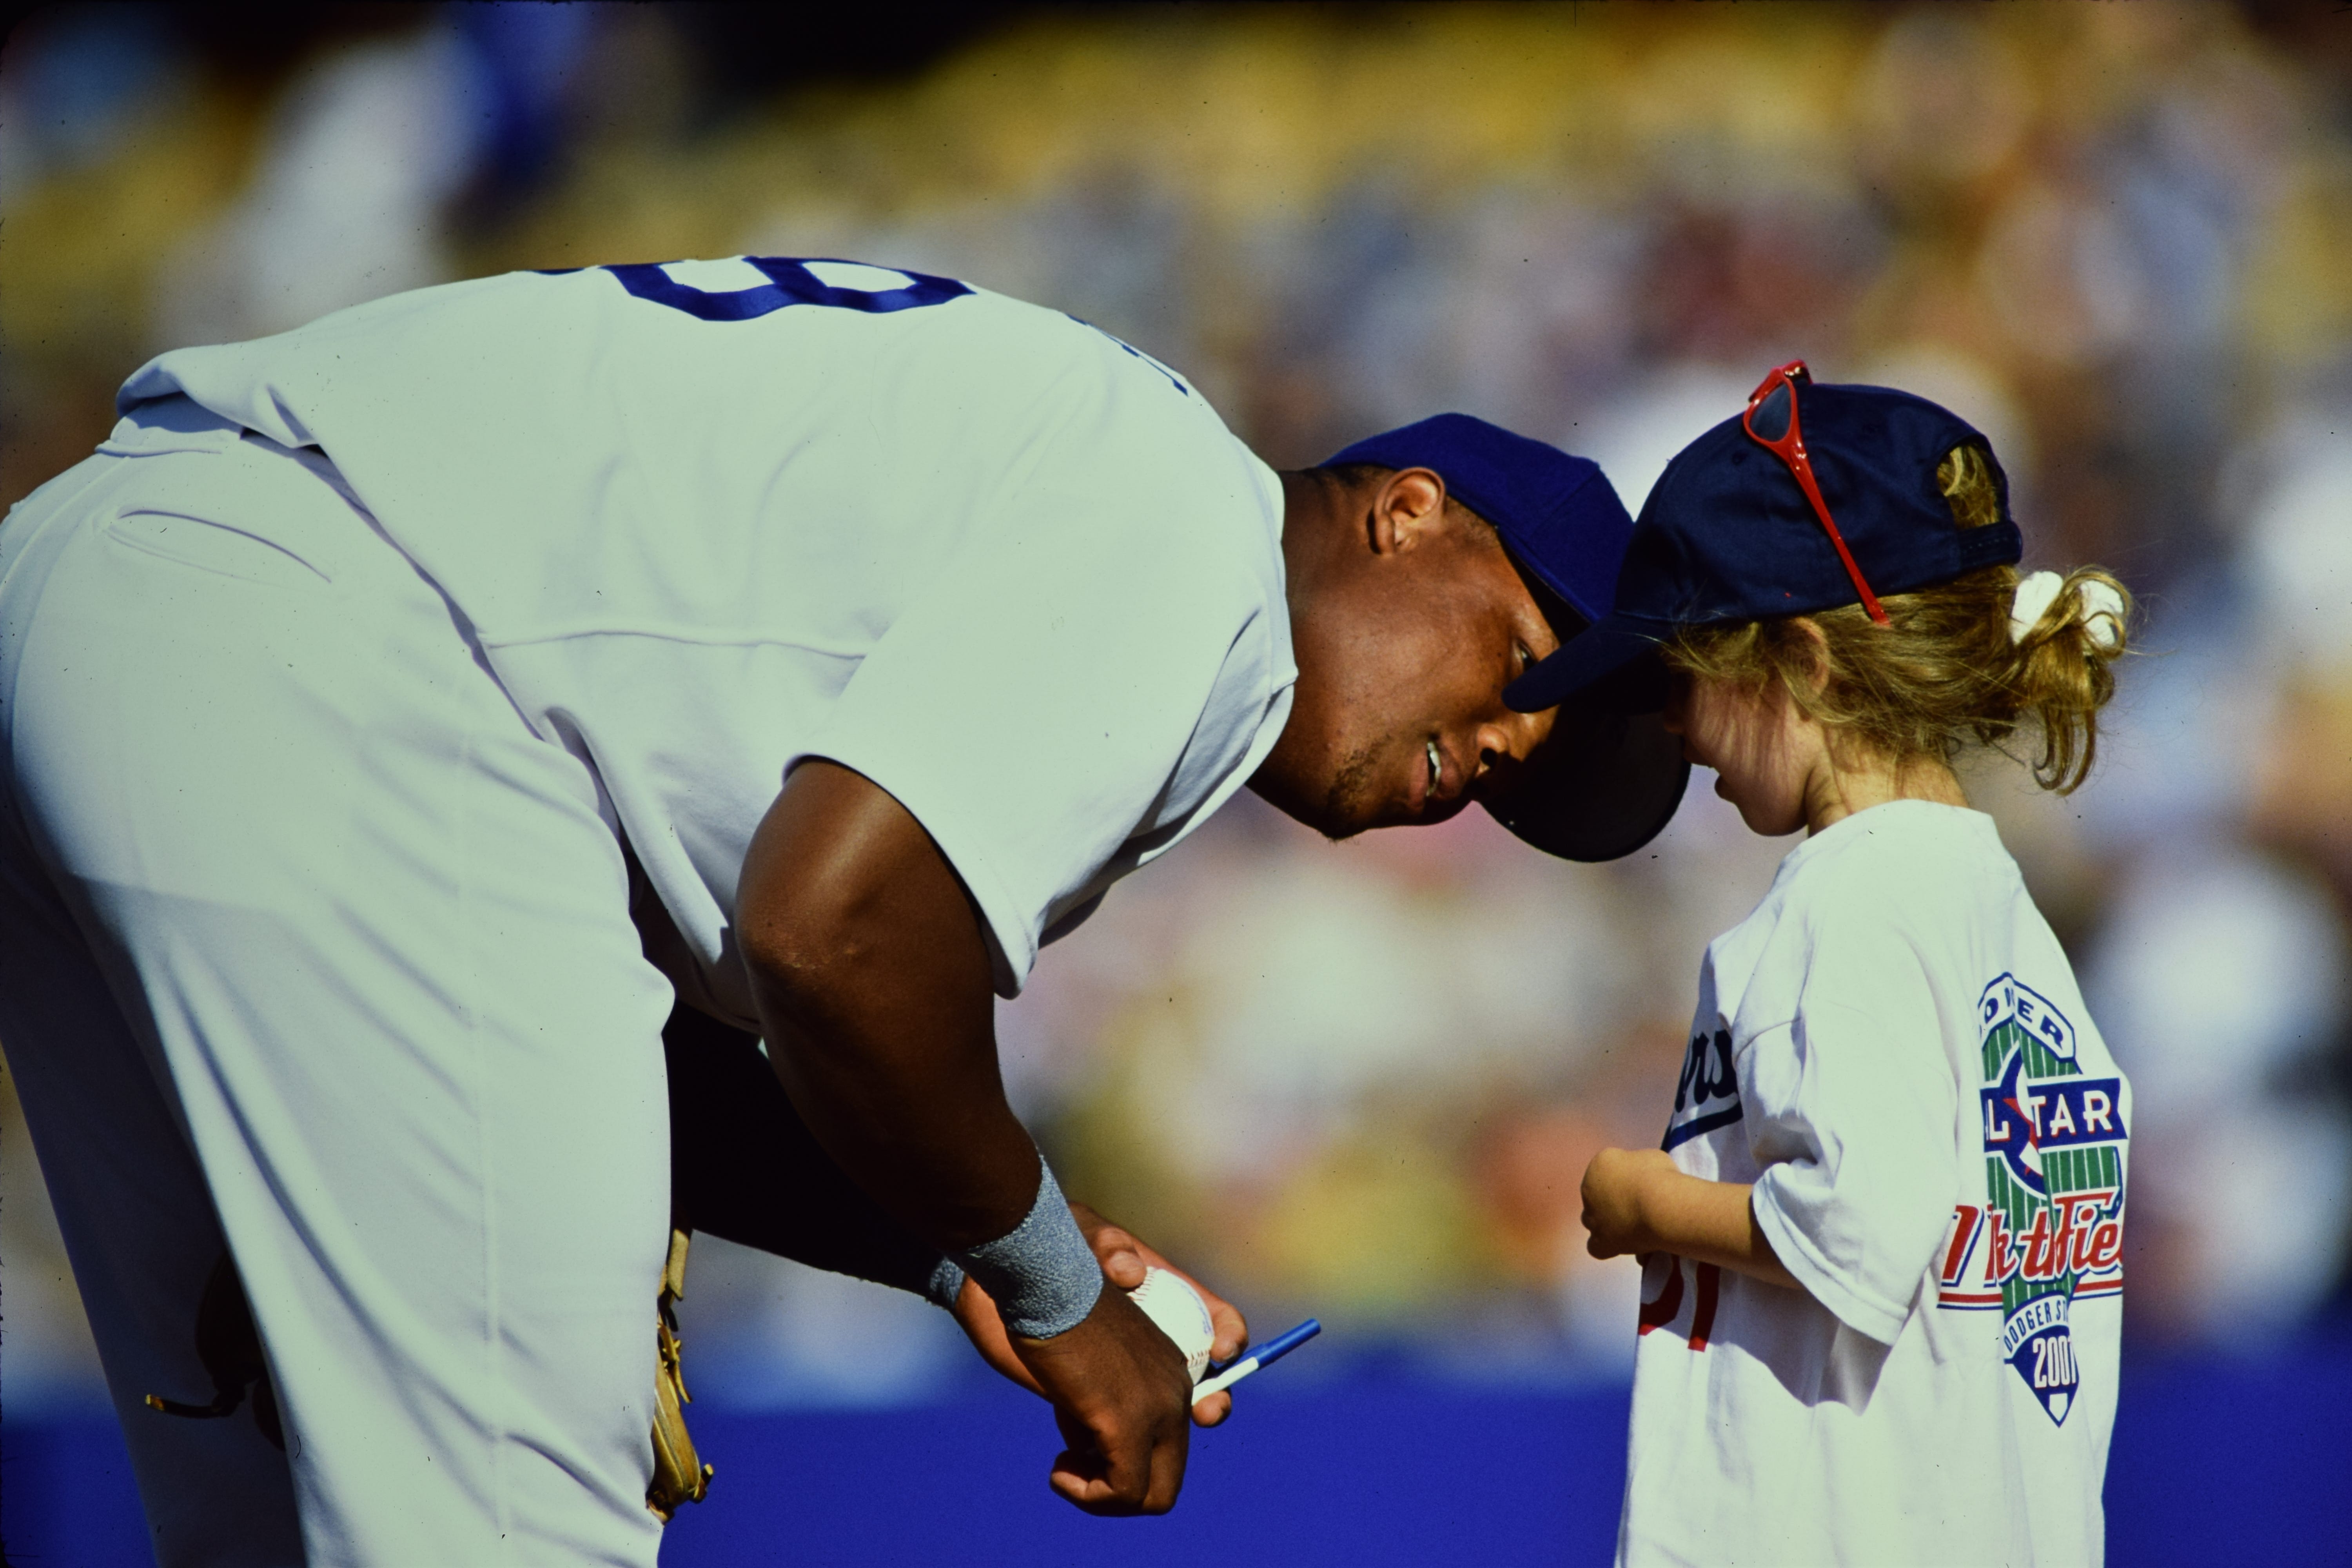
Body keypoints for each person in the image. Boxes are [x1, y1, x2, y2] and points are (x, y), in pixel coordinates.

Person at [0, 253, 1685, 1564]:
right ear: (1408, 511)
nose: (1504, 749)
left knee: (266, 1522)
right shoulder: (1206, 543)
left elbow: (613, 1041)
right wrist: (1056, 1296)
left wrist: (956, 1234)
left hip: (114, 600)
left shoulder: (1089, 498)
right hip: (326, 646)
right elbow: (834, 934)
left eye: (1532, 769)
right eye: (1523, 662)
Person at [1555, 363, 2134, 1565]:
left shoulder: (1852, 899)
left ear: (1807, 663)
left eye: (1679, 674)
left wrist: (1642, 1204)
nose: (1667, 722)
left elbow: (1860, 1240)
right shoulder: (1997, 914)